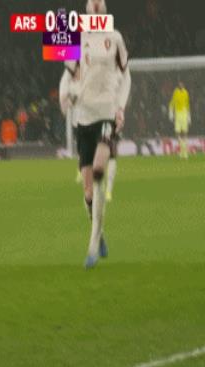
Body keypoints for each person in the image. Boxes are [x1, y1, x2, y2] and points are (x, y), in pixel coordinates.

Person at [63, 0, 131, 268]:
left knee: (101, 169)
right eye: (92, 1)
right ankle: (99, 234)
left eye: (99, 1)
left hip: (106, 113)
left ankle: (92, 246)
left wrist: (120, 107)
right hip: (84, 118)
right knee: (88, 190)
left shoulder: (115, 38)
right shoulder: (75, 38)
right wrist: (67, 95)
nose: (95, 4)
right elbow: (68, 74)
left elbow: (126, 75)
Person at [169, 81, 191, 159]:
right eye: (180, 84)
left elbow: (187, 103)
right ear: (178, 85)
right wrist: (171, 112)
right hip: (178, 114)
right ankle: (183, 150)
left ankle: (184, 152)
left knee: (185, 133)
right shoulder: (176, 92)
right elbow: (172, 101)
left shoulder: (186, 92)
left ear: (183, 85)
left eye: (182, 84)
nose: (181, 85)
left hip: (184, 113)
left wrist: (189, 115)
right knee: (177, 133)